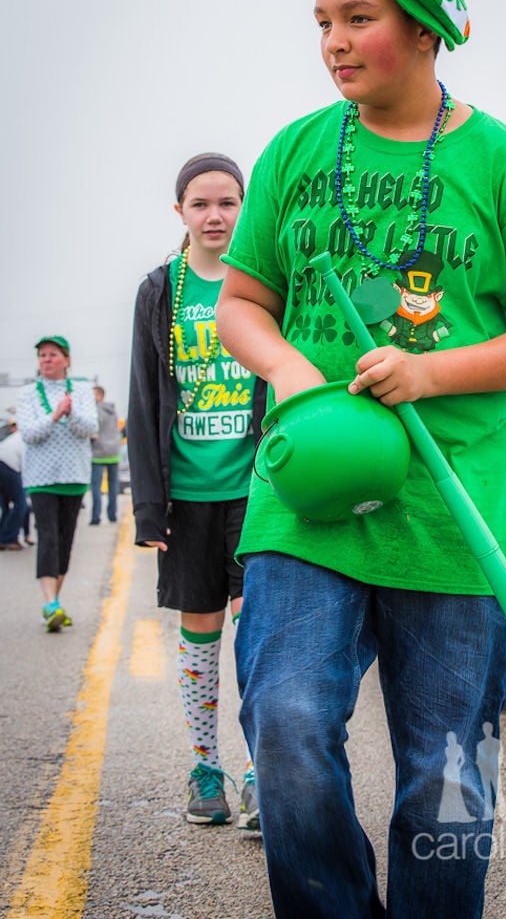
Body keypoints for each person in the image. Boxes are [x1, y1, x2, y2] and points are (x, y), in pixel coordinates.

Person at [215, 0, 506, 919]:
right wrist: (296, 375)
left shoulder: (505, 167)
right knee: (286, 723)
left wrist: (432, 375)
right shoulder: (297, 150)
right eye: (322, 22)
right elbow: (241, 303)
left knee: (446, 779)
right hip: (308, 502)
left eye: (358, 18)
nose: (334, 41)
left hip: (454, 511)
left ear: (424, 29)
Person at [128, 152, 262, 830]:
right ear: (179, 210)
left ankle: (261, 770)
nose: (215, 214)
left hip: (256, 491)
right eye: (201, 203)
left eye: (228, 202)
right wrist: (149, 504)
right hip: (187, 497)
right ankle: (205, 765)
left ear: (244, 206)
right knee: (201, 634)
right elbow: (145, 396)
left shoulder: (263, 280)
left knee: (257, 633)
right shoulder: (160, 289)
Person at [16, 336, 98, 630]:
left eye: (52, 354)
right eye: (42, 355)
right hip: (42, 478)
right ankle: (51, 602)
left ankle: (53, 604)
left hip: (74, 476)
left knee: (65, 542)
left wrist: (71, 410)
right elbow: (29, 433)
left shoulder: (82, 390)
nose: (46, 360)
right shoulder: (27, 394)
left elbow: (90, 428)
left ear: (66, 359)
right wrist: (55, 414)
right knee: (48, 537)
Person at [89, 385, 122, 525]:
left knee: (96, 486)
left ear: (100, 395)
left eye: (94, 395)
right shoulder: (113, 411)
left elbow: (92, 430)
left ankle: (96, 517)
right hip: (114, 451)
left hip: (98, 452)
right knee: (113, 485)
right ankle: (112, 515)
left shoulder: (95, 410)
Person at [0, 419, 28, 550]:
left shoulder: (19, 435)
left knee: (6, 506)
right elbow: (26, 466)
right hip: (8, 465)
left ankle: (3, 536)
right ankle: (8, 538)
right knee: (21, 504)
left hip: (4, 462)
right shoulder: (29, 437)